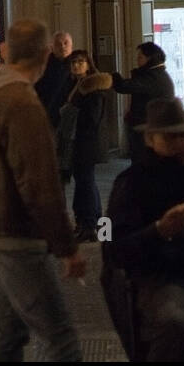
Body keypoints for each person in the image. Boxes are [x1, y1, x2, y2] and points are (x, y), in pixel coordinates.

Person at [0, 18, 85, 362]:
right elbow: (39, 184)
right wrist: (66, 247)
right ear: (46, 54)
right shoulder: (23, 104)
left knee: (10, 333)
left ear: (7, 51)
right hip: (18, 234)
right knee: (60, 337)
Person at [102, 97, 184, 361]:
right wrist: (159, 231)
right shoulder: (132, 184)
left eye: (183, 135)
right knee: (175, 322)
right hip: (164, 279)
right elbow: (115, 248)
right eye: (170, 137)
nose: (180, 144)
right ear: (151, 140)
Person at [57, 50, 112, 242]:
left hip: (86, 142)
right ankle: (91, 223)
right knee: (85, 181)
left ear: (89, 64)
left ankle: (90, 224)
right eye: (73, 62)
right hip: (74, 141)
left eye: (81, 62)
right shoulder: (73, 84)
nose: (76, 65)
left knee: (85, 182)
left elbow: (91, 118)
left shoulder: (92, 87)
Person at [112, 42, 175, 164]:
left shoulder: (153, 77)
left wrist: (113, 77)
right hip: (151, 127)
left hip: (148, 129)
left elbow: (124, 86)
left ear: (150, 58)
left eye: (140, 57)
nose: (137, 60)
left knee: (144, 164)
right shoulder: (157, 74)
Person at [34, 31, 74, 128]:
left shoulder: (78, 64)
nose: (62, 47)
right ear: (52, 47)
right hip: (48, 114)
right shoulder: (42, 66)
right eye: (58, 44)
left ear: (71, 46)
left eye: (66, 43)